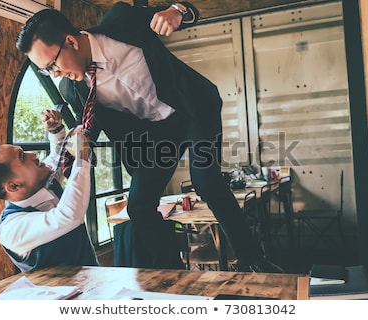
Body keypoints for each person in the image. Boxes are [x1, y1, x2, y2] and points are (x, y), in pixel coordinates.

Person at [15, 1, 283, 272]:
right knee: (139, 207)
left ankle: (255, 261)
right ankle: (174, 275)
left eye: (53, 65)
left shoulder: (120, 20)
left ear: (71, 42)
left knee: (206, 182)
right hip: (158, 134)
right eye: (46, 71)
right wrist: (67, 137)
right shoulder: (73, 89)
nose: (55, 74)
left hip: (192, 110)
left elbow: (183, 11)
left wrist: (177, 12)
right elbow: (89, 128)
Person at [0, 109, 99, 272]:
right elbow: (68, 216)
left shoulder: (44, 182)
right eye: (23, 157)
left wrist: (55, 131)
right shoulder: (11, 229)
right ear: (14, 186)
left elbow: (56, 157)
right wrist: (82, 157)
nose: (33, 154)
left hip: (95, 280)